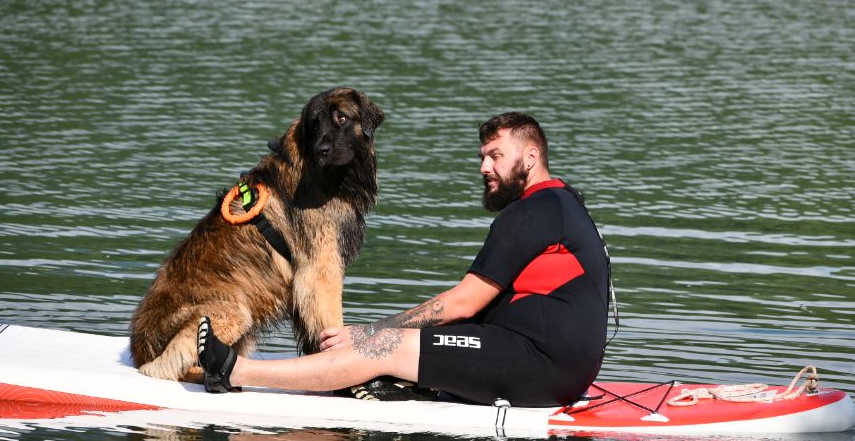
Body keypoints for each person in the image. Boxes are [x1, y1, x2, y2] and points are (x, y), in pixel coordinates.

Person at [198, 112, 610, 407]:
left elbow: (463, 302)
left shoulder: (533, 211)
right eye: (483, 155)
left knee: (386, 346)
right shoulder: (565, 203)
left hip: (540, 366)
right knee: (400, 347)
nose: (484, 166)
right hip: (563, 367)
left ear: (531, 158)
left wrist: (368, 334)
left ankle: (236, 372)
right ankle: (400, 382)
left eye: (496, 156)